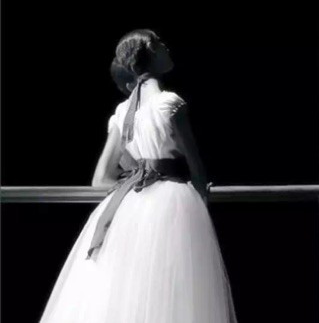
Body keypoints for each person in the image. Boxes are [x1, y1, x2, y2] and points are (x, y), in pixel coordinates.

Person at [39, 29, 237, 323]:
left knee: (130, 283)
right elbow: (196, 168)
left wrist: (134, 183)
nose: (166, 46)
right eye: (159, 43)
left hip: (134, 203)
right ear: (150, 55)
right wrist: (202, 203)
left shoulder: (123, 111)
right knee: (175, 282)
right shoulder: (170, 103)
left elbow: (101, 177)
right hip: (173, 199)